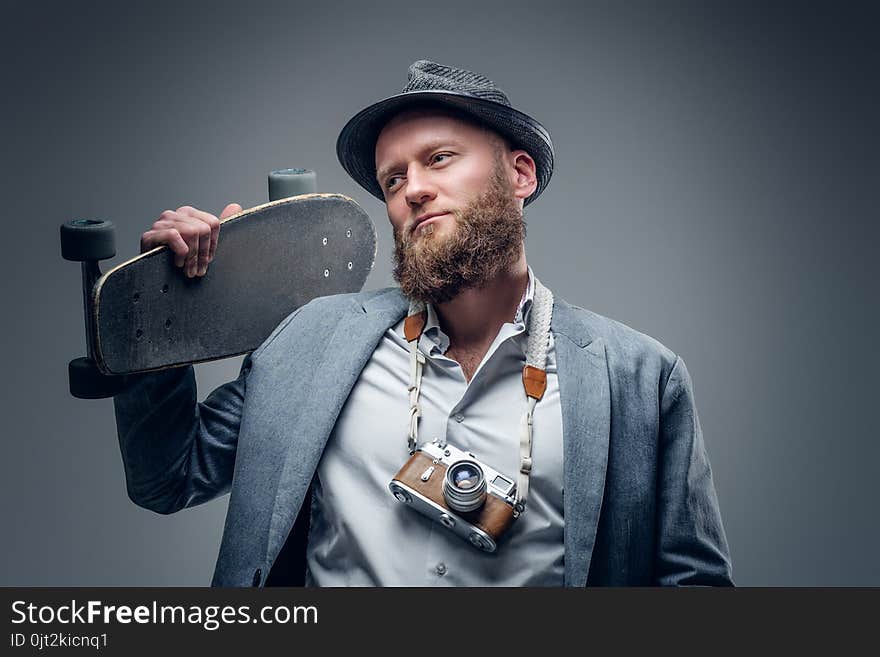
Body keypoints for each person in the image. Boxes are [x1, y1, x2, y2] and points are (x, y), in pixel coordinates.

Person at [115, 59, 733, 586]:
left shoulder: (640, 377)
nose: (413, 189)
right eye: (393, 178)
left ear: (520, 174)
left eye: (438, 159)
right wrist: (165, 315)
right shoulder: (310, 339)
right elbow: (168, 479)